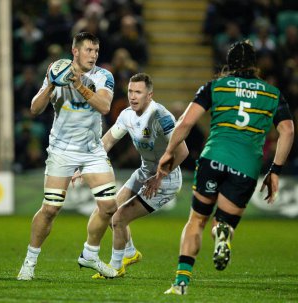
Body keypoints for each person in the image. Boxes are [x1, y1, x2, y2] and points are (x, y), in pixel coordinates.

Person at [157, 41, 294, 295]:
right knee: (225, 222)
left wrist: (168, 152)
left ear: (229, 65)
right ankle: (223, 232)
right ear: (255, 65)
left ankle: (181, 283)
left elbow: (186, 123)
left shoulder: (216, 86)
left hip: (213, 159)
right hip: (246, 168)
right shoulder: (272, 94)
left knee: (197, 220)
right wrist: (275, 170)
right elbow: (287, 130)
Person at [17, 32, 119, 280]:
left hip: (92, 150)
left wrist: (78, 85)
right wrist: (51, 84)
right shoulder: (57, 70)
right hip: (62, 150)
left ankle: (90, 255)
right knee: (51, 209)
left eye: (96, 50)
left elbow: (105, 106)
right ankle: (29, 262)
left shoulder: (104, 76)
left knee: (108, 207)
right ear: (75, 51)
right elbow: (34, 108)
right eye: (88, 50)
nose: (93, 55)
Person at [84, 73, 189, 278]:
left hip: (166, 180)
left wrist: (159, 176)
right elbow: (107, 142)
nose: (133, 96)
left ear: (149, 95)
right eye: (130, 91)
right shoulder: (127, 115)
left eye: (138, 92)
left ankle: (116, 267)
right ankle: (130, 252)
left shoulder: (161, 116)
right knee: (109, 210)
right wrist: (85, 164)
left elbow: (182, 152)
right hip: (144, 172)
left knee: (119, 218)